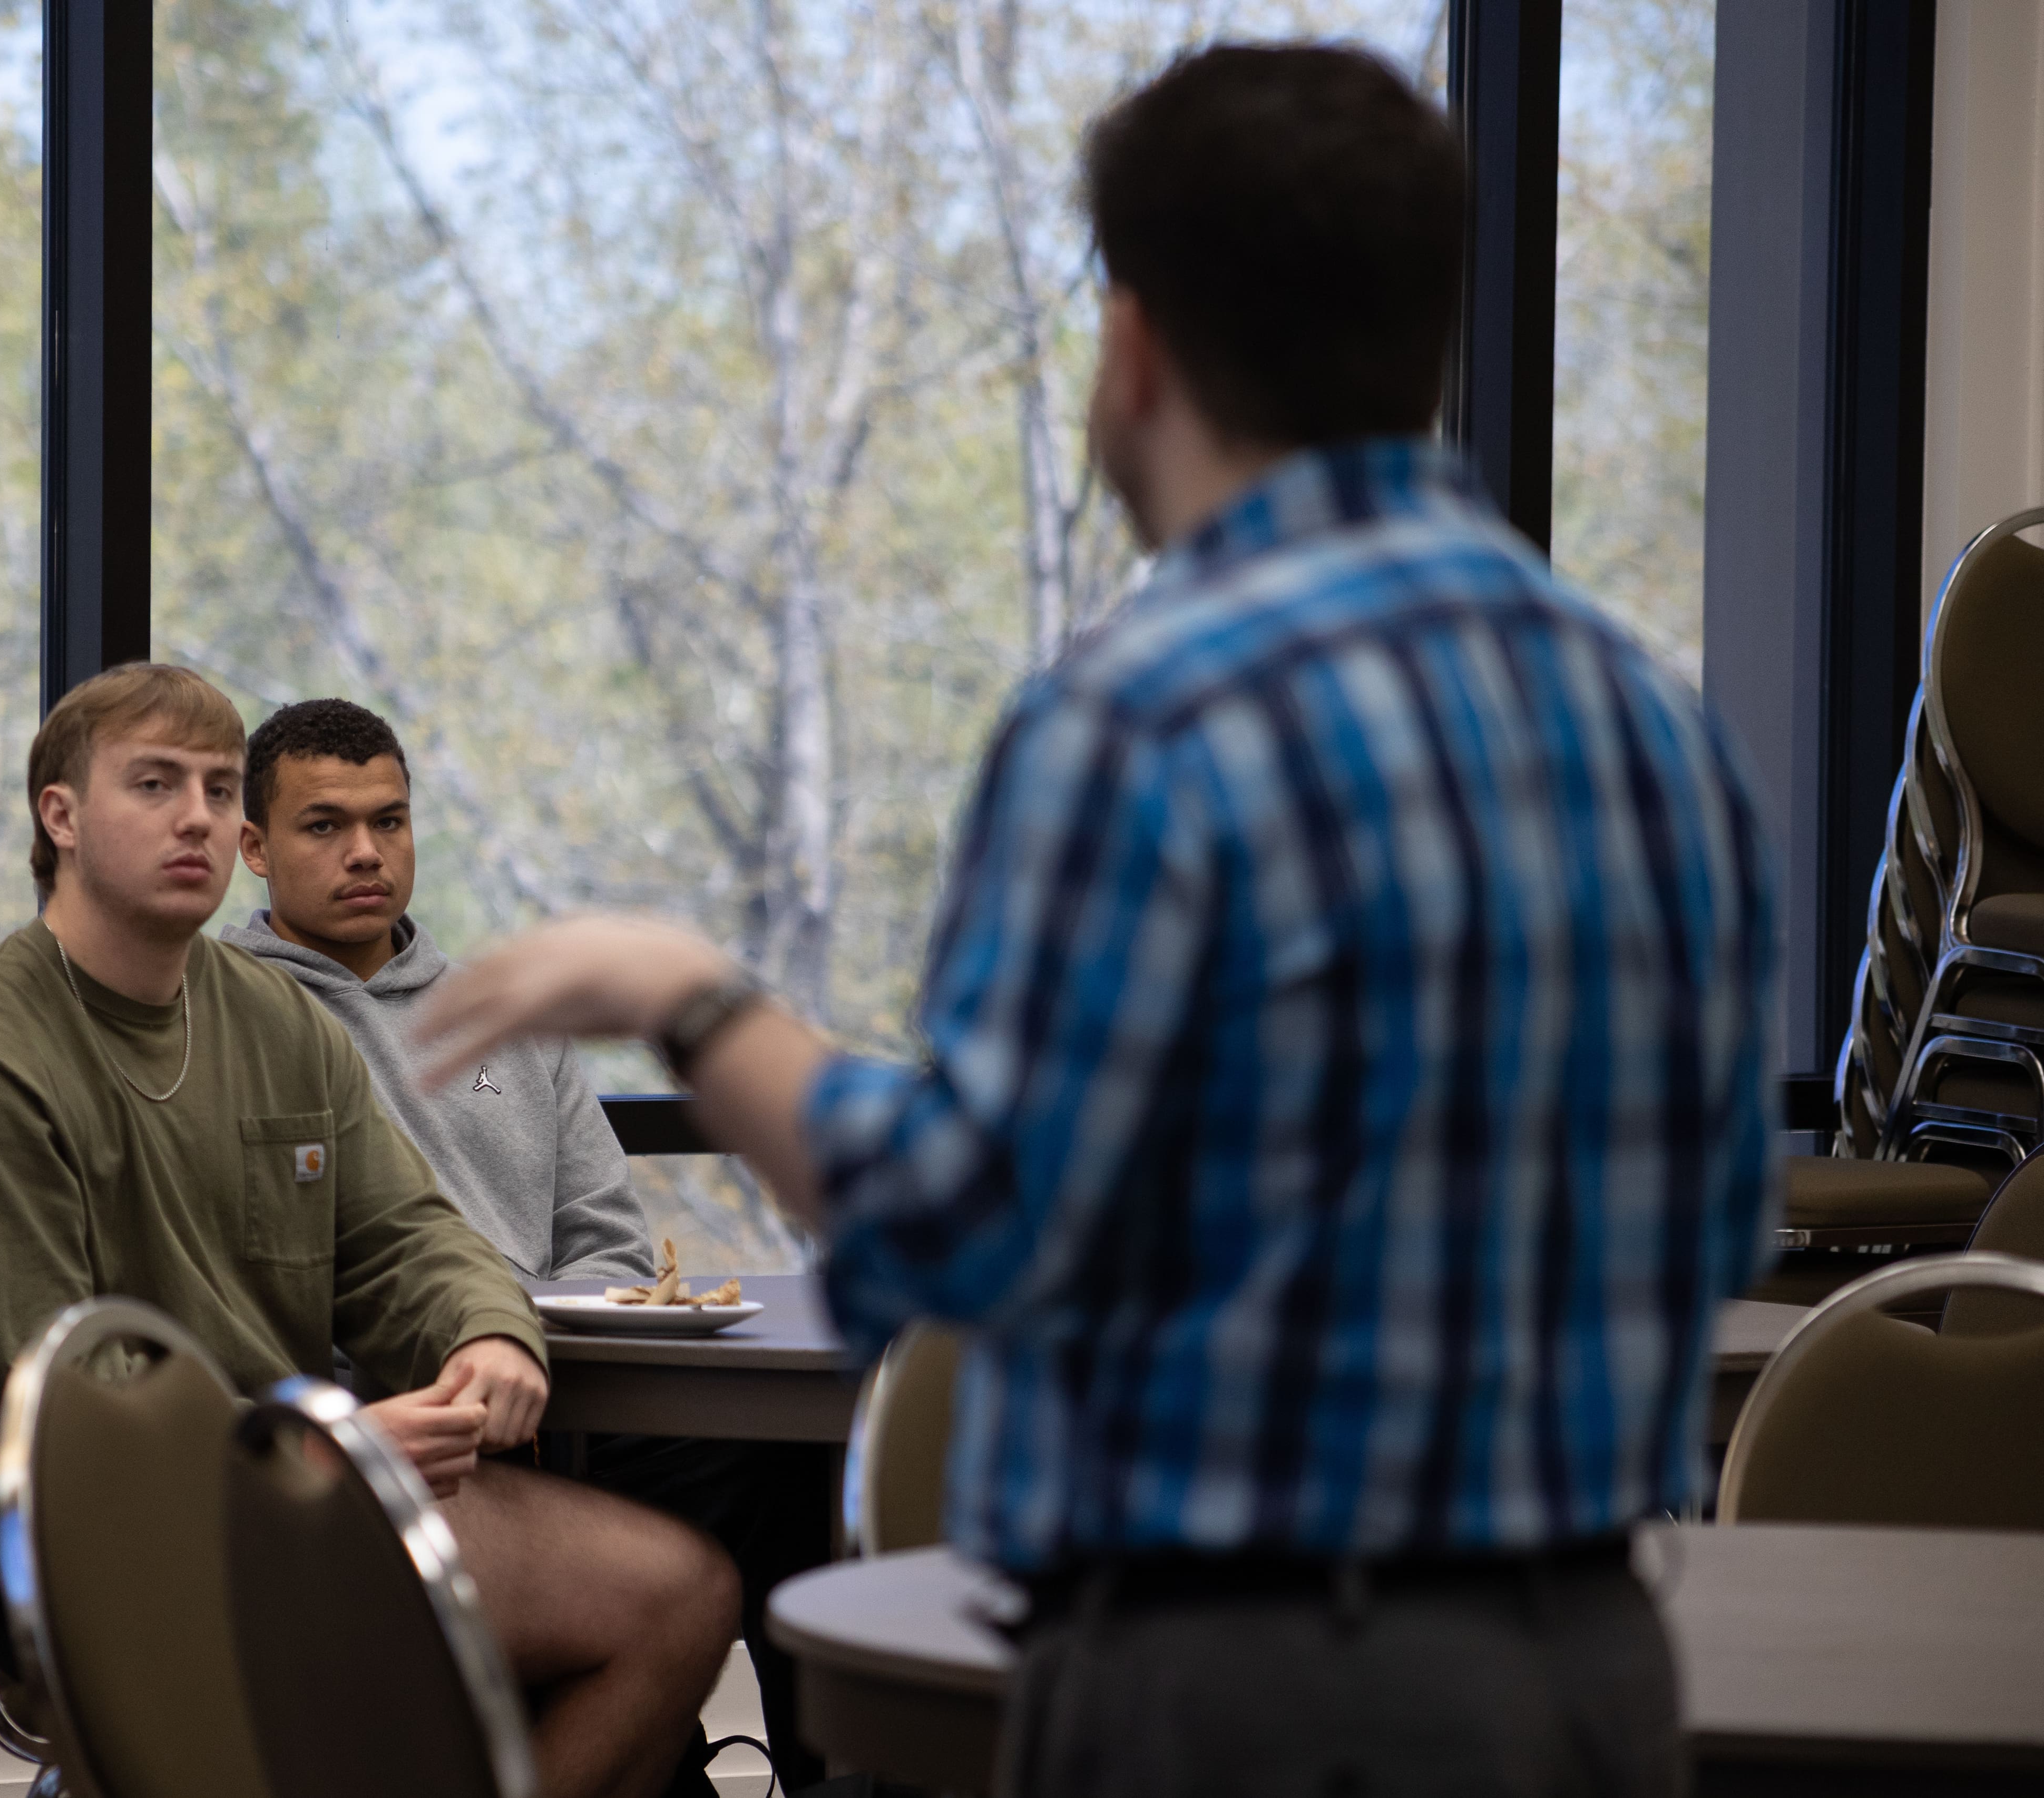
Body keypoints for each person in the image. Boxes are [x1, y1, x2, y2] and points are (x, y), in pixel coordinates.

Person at [414, 44, 1776, 1798]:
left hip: (1237, 1699)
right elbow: (1727, 1209)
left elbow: (961, 1226)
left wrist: (689, 998)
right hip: (1595, 1673)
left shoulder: (1141, 721)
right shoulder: (1654, 725)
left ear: (1132, 348)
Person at [0, 663, 737, 1798]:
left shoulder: (264, 1011)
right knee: (670, 1594)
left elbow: (402, 1232)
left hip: (292, 1495)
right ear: (60, 817)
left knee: (692, 1570)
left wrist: (485, 1331)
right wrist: (325, 1450)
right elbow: (80, 1417)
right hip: (134, 1555)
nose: (198, 819)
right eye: (155, 785)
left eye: (220, 792)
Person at [223, 696, 836, 1796]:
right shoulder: (227, 1015)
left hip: (571, 1395)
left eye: (390, 820)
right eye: (324, 826)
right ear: (254, 849)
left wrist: (539, 1332)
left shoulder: (504, 1009)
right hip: (399, 1417)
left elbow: (606, 1241)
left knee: (802, 1466)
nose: (366, 852)